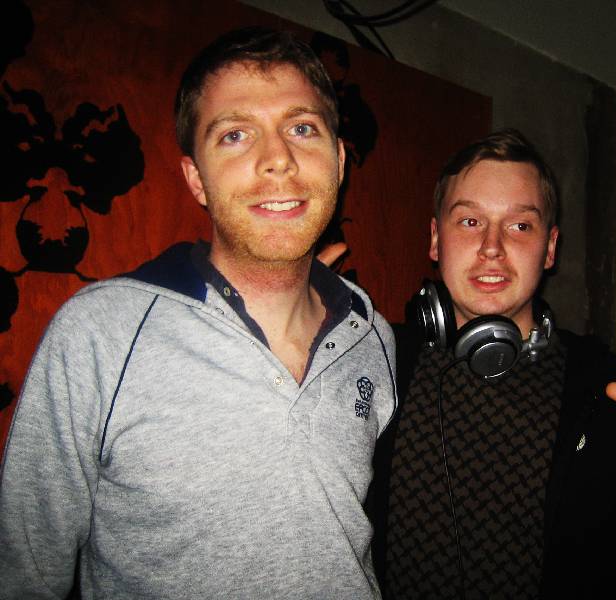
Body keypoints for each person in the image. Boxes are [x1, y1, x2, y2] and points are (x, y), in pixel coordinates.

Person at [0, 27, 396, 599]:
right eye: (235, 135)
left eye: (301, 128)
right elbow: (22, 577)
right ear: (196, 180)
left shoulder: (372, 336)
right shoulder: (99, 334)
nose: (278, 160)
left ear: (338, 161)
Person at [368, 129, 616, 599]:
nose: (492, 246)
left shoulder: (604, 389)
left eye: (520, 226)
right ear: (435, 239)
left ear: (550, 248)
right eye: (469, 221)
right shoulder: (375, 362)